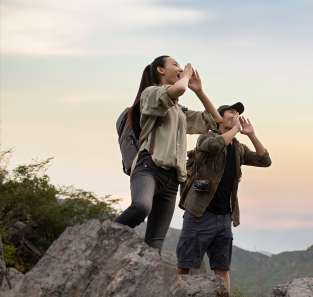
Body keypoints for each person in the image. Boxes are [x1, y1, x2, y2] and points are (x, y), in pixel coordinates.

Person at [114, 55, 222, 251]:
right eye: (175, 65)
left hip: (172, 179)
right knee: (141, 207)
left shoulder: (179, 111)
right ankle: (101, 240)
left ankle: (145, 279)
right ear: (160, 70)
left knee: (156, 241)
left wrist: (198, 90)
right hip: (150, 166)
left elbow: (215, 121)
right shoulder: (151, 94)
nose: (180, 69)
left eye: (181, 66)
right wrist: (187, 74)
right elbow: (179, 89)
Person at [176, 102, 272, 289]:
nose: (236, 114)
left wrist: (251, 134)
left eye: (237, 112)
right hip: (199, 213)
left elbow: (265, 160)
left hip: (225, 215)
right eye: (231, 111)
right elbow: (214, 145)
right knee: (185, 265)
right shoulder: (205, 137)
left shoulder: (238, 147)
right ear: (219, 118)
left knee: (221, 269)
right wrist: (236, 129)